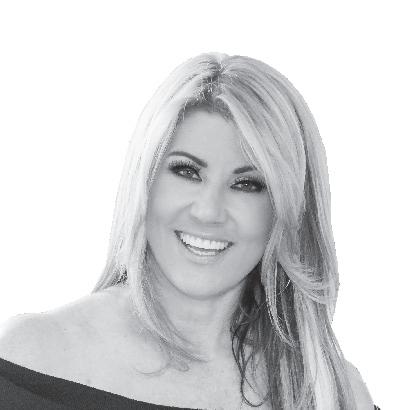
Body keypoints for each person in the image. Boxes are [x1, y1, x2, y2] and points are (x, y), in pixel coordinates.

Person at [0, 53, 378, 409]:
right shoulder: (33, 356)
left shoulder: (334, 393)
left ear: (286, 210)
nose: (208, 211)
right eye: (187, 171)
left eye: (247, 184)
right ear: (145, 180)